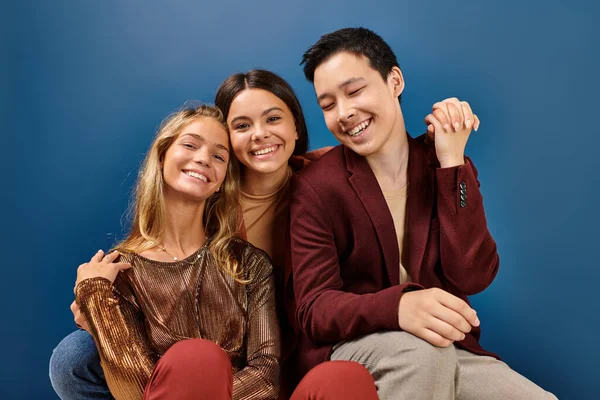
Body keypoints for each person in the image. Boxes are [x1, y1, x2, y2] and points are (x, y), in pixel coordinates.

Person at [289, 27, 557, 399]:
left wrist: (451, 162)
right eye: (328, 104)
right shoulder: (317, 186)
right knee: (422, 354)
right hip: (354, 348)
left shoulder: (443, 164)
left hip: (444, 346)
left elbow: (474, 276)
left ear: (394, 80)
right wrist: (398, 306)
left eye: (354, 91)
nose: (345, 112)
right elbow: (315, 308)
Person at [50, 103, 379, 400]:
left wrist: (210, 391)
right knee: (196, 359)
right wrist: (95, 296)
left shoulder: (247, 262)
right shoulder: (119, 272)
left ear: (222, 180)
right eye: (190, 145)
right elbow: (138, 392)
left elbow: (266, 375)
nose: (204, 158)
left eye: (219, 156)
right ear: (162, 156)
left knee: (343, 377)